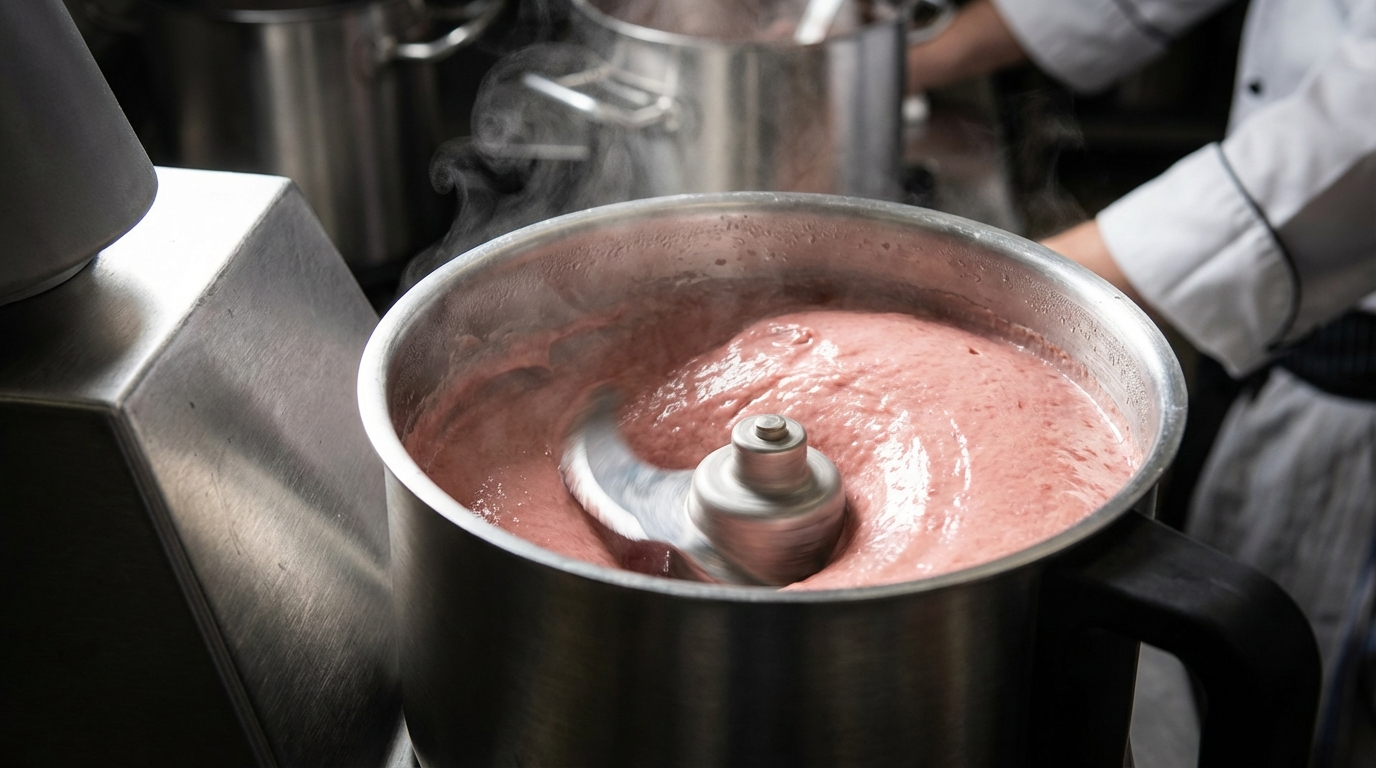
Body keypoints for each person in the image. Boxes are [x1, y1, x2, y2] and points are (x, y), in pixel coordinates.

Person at [907, 0, 1376, 763]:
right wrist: (911, 59)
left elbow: (1357, 145)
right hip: (1270, 317)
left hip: (1356, 358)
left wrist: (983, 291)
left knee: (1304, 648)